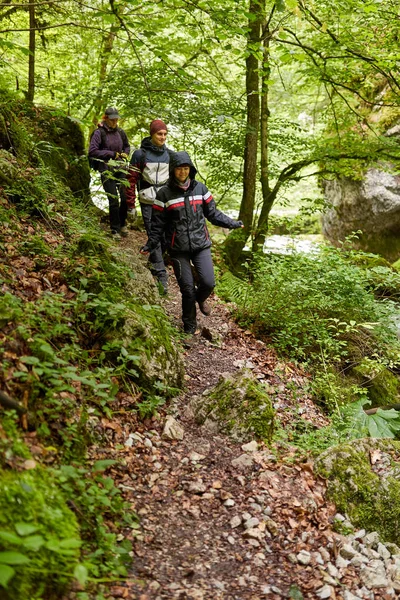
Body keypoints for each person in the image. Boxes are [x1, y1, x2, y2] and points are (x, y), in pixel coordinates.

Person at [140, 151, 243, 337]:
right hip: (178, 249)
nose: (182, 172)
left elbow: (213, 214)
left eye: (186, 168)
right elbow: (157, 224)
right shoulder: (163, 194)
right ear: (173, 170)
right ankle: (189, 327)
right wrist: (150, 244)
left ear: (191, 170)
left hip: (201, 244)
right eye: (179, 169)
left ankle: (201, 298)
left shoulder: (201, 189)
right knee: (187, 288)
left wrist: (233, 223)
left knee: (209, 282)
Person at [126, 119, 170, 292]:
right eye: (159, 134)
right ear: (152, 134)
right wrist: (130, 205)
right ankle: (162, 276)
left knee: (166, 237)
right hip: (147, 202)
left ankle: (152, 260)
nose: (163, 137)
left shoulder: (170, 155)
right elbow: (130, 181)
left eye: (165, 134)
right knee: (155, 237)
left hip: (165, 204)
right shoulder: (140, 155)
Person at [88, 106, 130, 239]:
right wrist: (111, 154)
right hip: (106, 169)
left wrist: (125, 154)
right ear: (105, 118)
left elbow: (127, 146)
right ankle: (115, 230)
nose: (114, 122)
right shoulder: (99, 133)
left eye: (116, 119)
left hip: (121, 168)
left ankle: (123, 224)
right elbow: (93, 151)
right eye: (112, 119)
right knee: (113, 199)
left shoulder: (121, 132)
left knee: (124, 197)